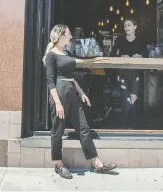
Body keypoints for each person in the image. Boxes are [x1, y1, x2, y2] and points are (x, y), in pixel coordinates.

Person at [43, 24, 117, 179]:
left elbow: (72, 77)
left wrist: (81, 92)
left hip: (72, 93)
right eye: (69, 34)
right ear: (60, 35)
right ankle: (58, 164)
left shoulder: (67, 52)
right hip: (60, 93)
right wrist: (57, 103)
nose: (71, 37)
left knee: (83, 128)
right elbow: (50, 81)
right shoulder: (51, 55)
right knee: (58, 130)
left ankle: (97, 164)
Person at [110, 18, 149, 129]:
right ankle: (123, 127)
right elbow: (112, 54)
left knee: (133, 100)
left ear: (135, 27)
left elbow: (147, 54)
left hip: (135, 74)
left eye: (129, 25)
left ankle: (130, 127)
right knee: (126, 101)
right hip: (122, 74)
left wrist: (140, 56)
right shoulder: (120, 39)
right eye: (125, 26)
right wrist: (120, 56)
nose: (126, 27)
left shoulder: (140, 40)